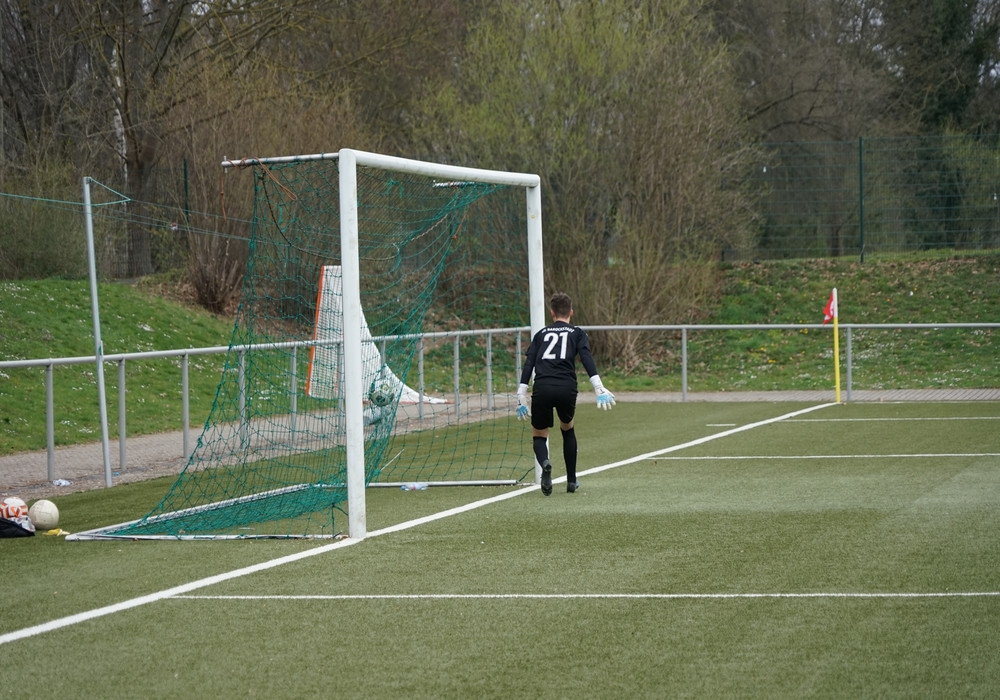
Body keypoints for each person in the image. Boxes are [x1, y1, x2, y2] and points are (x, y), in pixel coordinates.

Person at [516, 292, 615, 496]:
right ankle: (571, 480)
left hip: (542, 387)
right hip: (566, 387)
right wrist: (598, 386)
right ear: (571, 312)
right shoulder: (577, 332)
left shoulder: (541, 334)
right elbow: (586, 357)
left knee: (539, 435)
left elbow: (529, 363)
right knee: (567, 428)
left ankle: (545, 462)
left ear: (552, 313)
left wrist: (521, 393)